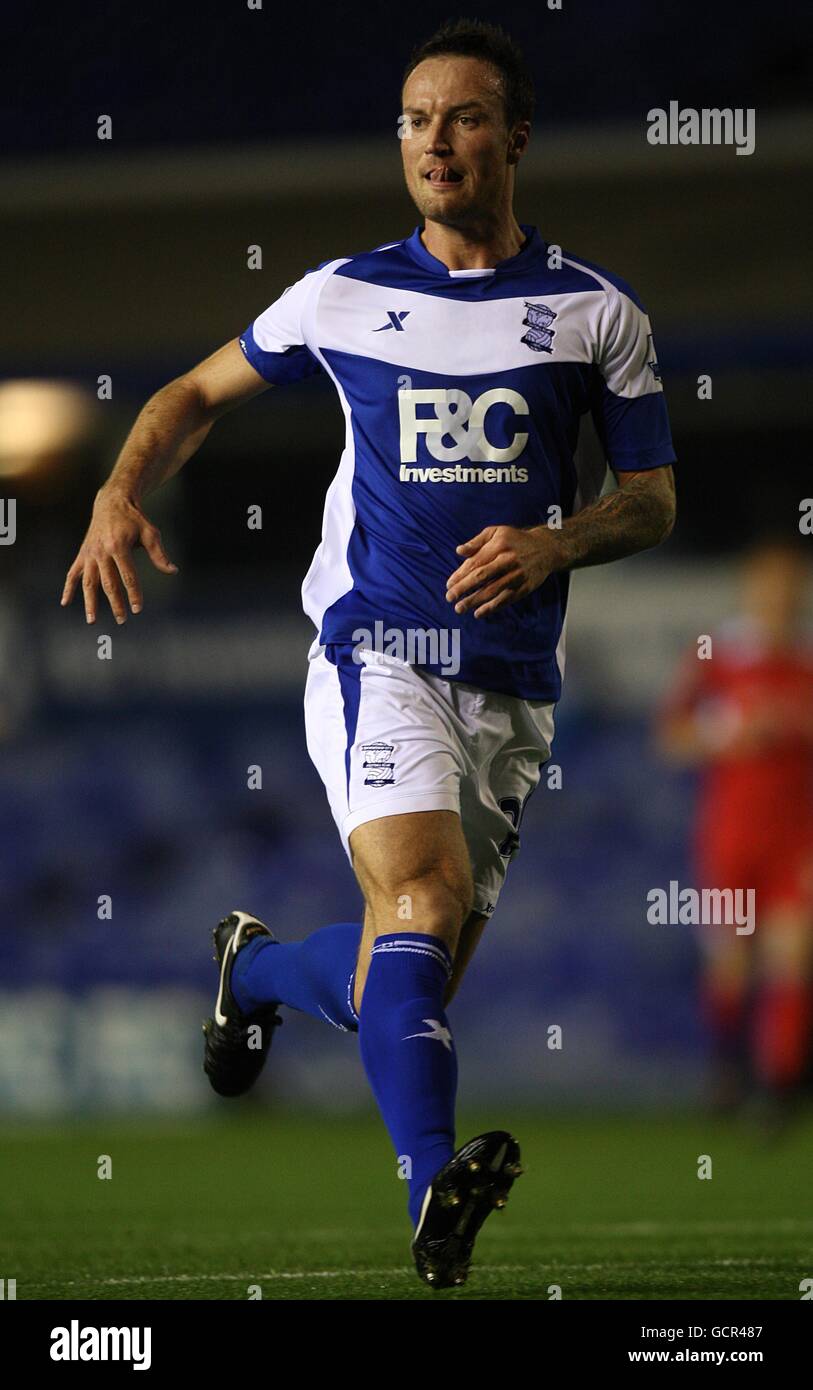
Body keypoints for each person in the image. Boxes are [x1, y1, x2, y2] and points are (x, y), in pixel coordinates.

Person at [61, 19, 676, 1287]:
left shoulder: (594, 313)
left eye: (459, 118)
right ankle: (432, 1195)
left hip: (514, 688)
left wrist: (556, 546)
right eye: (411, 119)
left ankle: (257, 972)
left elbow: (654, 497)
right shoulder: (341, 294)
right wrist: (122, 489)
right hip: (375, 653)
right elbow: (188, 396)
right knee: (423, 904)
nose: (432, 141)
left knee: (406, 973)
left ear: (514, 138)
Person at [659, 539, 813, 1127]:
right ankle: (727, 1073)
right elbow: (670, 736)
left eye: (789, 590)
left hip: (795, 838)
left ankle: (779, 1093)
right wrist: (728, 735)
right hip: (731, 833)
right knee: (732, 965)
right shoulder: (718, 658)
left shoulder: (805, 662)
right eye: (770, 589)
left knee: (790, 958)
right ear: (752, 593)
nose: (780, 600)